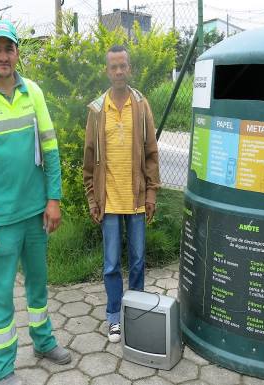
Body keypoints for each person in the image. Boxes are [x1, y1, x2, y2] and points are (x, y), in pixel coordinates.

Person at [0, 19, 71, 385]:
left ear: (17, 53)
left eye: (9, 48)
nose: (4, 56)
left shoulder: (32, 92)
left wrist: (53, 198)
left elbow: (50, 151)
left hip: (36, 211)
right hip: (1, 219)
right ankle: (3, 368)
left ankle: (43, 342)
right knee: (0, 293)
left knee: (38, 284)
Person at [83, 45, 161, 343]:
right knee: (112, 263)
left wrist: (152, 193)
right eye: (113, 67)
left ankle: (137, 314)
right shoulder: (97, 110)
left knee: (139, 260)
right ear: (107, 71)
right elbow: (89, 162)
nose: (118, 71)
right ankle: (114, 316)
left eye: (123, 66)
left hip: (137, 199)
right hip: (110, 202)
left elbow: (152, 154)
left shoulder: (141, 106)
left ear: (130, 69)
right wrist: (93, 199)